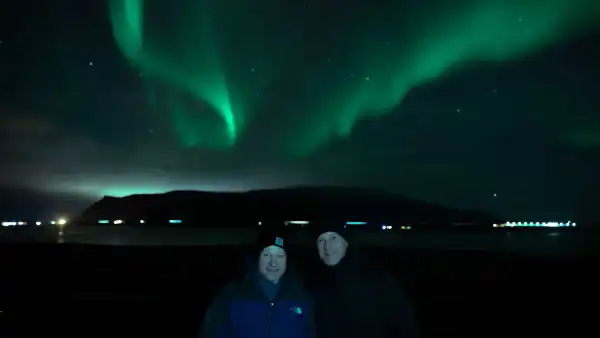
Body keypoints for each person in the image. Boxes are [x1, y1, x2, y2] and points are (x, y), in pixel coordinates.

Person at [309, 220, 418, 338]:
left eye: (333, 238)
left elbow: (405, 326)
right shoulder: (314, 284)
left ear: (346, 243)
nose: (327, 246)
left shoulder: (377, 279)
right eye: (321, 240)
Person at [201, 226, 316, 338]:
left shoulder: (300, 296)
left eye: (280, 256)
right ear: (257, 258)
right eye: (267, 255)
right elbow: (211, 332)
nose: (273, 263)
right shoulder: (231, 295)